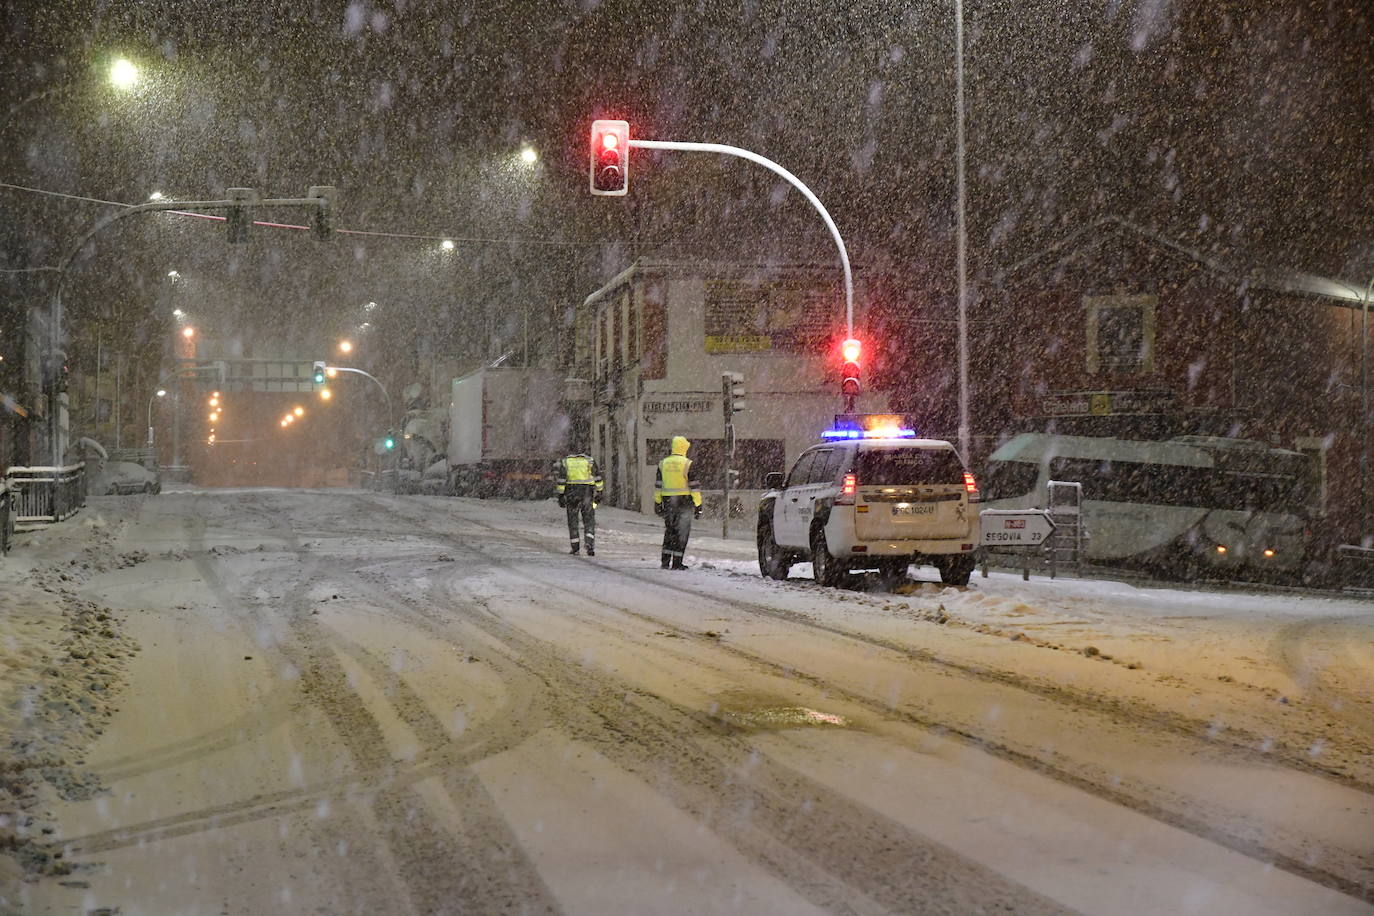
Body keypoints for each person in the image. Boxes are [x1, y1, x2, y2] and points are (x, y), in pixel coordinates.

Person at [653, 435, 702, 569]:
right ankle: (677, 562)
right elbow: (694, 487)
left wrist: (657, 503)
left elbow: (658, 486)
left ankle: (665, 561)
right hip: (684, 502)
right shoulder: (688, 464)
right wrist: (698, 505)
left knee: (670, 531)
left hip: (668, 501)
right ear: (684, 448)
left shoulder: (663, 463)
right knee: (682, 532)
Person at [556, 450, 603, 555]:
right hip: (587, 492)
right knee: (589, 518)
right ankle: (589, 543)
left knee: (573, 520)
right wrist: (599, 492)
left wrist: (561, 495)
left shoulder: (566, 462)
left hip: (571, 492)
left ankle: (575, 547)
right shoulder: (589, 461)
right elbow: (598, 477)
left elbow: (561, 480)